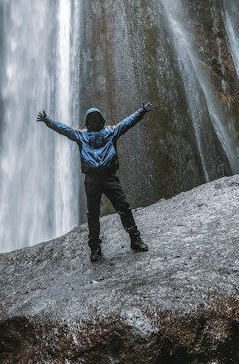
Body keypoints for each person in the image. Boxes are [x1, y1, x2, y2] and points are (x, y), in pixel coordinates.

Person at [37, 103, 154, 262]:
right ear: (87, 122)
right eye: (90, 119)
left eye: (96, 118)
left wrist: (141, 111)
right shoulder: (81, 135)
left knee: (123, 208)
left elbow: (127, 123)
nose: (93, 121)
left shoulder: (111, 132)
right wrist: (49, 121)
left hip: (109, 177)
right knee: (93, 215)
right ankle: (95, 248)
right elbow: (65, 129)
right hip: (92, 179)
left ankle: (135, 239)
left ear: (101, 121)